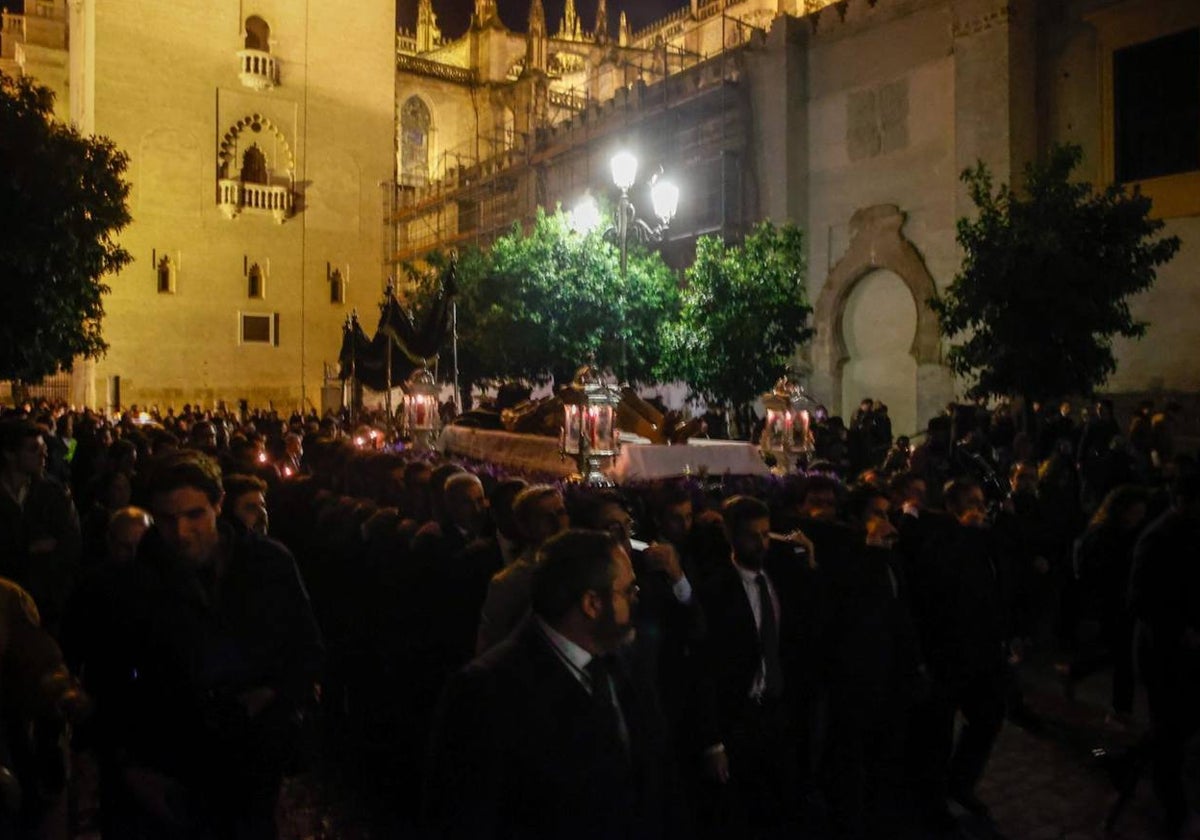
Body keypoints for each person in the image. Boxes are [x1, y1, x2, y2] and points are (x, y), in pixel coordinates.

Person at [91, 451, 323, 839]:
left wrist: (272, 695)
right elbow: (109, 676)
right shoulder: (132, 583)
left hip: (249, 758)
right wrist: (129, 765)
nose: (181, 533)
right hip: (165, 761)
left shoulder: (267, 565)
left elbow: (306, 647)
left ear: (218, 505)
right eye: (167, 519)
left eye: (194, 515)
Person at [423, 528, 670, 839]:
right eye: (629, 590)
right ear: (592, 603)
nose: (638, 598)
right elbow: (464, 819)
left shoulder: (624, 658)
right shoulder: (487, 692)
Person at [690, 495, 811, 839]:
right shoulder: (716, 590)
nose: (761, 545)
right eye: (751, 536)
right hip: (738, 717)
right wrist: (712, 742)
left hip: (777, 709)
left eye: (766, 535)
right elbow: (705, 669)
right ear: (730, 536)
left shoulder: (780, 577)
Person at [1129, 471, 1200, 836]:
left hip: (1185, 652)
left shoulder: (1188, 532)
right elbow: (1142, 599)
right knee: (1169, 730)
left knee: (1180, 723)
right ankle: (1172, 805)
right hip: (1164, 652)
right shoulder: (1158, 538)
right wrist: (1181, 629)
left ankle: (1137, 761)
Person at [0, 418, 82, 637]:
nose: (42, 455)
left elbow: (70, 545)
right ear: (9, 454)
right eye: (33, 449)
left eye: (43, 448)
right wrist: (28, 551)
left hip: (45, 607)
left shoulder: (54, 494)